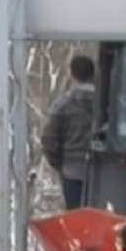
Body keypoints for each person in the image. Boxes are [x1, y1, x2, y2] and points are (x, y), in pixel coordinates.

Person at [41, 55, 96, 210]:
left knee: (75, 218)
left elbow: (48, 138)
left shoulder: (63, 103)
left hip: (71, 171)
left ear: (71, 74)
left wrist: (59, 163)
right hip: (102, 174)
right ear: (93, 74)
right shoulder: (105, 103)